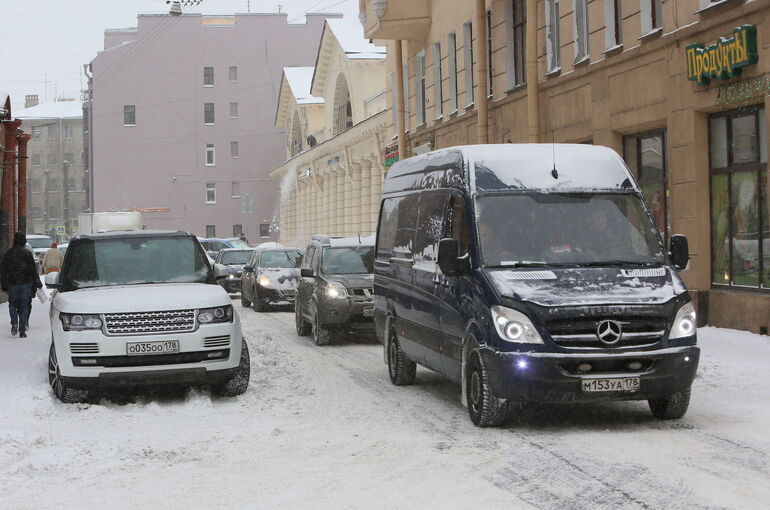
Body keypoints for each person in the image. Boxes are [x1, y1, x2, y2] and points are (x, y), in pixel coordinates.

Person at [1, 232, 40, 338]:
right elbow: (33, 270)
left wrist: (4, 284)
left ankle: (14, 323)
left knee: (12, 304)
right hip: (26, 283)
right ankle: (22, 330)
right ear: (24, 242)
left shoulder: (9, 253)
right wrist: (36, 283)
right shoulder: (27, 254)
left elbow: (3, 270)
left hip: (12, 283)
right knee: (23, 306)